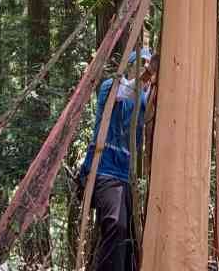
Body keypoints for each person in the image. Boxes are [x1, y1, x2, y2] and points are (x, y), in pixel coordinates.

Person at [78, 48, 158, 271]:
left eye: (148, 63)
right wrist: (149, 73)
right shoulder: (111, 87)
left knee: (129, 239)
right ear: (130, 65)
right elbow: (126, 91)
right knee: (116, 226)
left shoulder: (143, 98)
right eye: (140, 62)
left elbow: (149, 107)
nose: (144, 66)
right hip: (105, 172)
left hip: (127, 178)